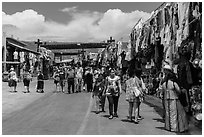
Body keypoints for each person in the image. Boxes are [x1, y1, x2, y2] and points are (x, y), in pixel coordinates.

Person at [161, 64, 188, 133]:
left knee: (167, 113)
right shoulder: (173, 83)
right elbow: (178, 90)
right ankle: (173, 128)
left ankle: (167, 127)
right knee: (173, 114)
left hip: (166, 99)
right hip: (173, 99)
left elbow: (162, 91)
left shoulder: (164, 83)